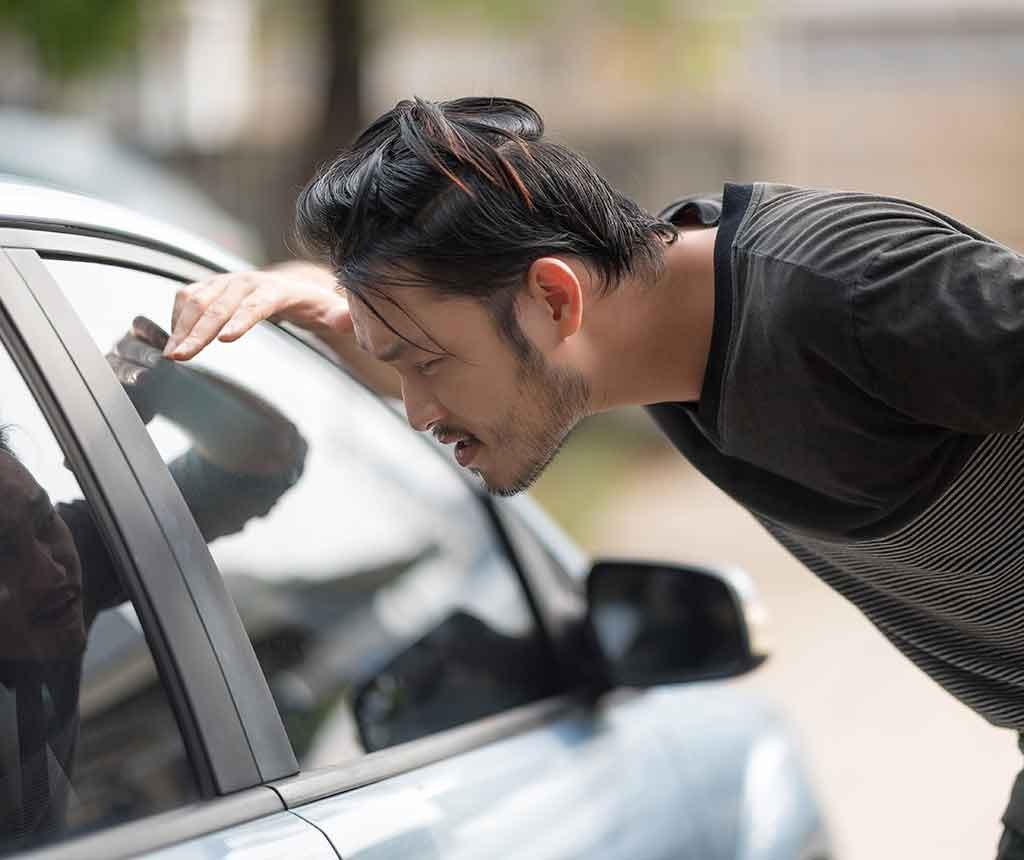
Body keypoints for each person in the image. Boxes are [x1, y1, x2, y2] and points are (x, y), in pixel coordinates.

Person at [162, 95, 1024, 858]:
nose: (417, 412)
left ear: (555, 298)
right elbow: (481, 364)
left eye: (425, 361)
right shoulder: (648, 327)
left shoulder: (855, 292)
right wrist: (330, 306)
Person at [0, 317, 306, 851]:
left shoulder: (69, 561)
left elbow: (262, 463)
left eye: (44, 520)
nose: (50, 571)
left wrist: (164, 386)